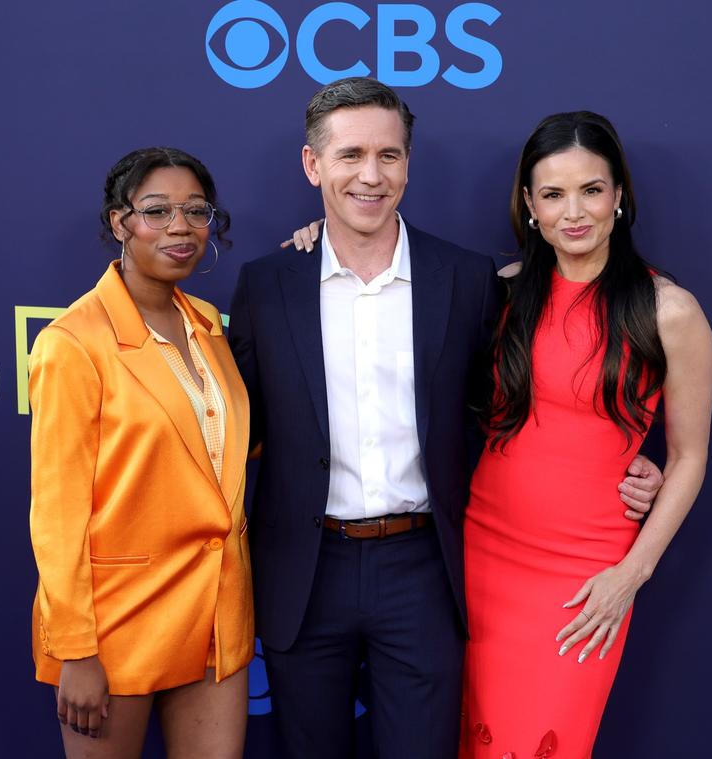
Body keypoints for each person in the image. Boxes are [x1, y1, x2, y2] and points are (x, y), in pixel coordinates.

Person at [229, 77, 662, 759]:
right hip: (305, 573)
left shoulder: (468, 279)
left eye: (389, 155)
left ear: (408, 162)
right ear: (314, 165)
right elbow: (232, 428)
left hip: (427, 569)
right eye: (349, 156)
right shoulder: (268, 283)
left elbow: (533, 393)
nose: (371, 175)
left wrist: (632, 459)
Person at [459, 112, 712, 759]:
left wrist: (631, 573)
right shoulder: (495, 295)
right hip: (482, 557)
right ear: (529, 205)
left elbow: (688, 457)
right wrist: (320, 238)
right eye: (552, 193)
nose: (574, 211)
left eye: (591, 189)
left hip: (587, 576)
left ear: (619, 196)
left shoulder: (670, 311)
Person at [28, 147, 253, 757]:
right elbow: (57, 513)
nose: (181, 227)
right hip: (117, 624)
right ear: (118, 223)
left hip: (215, 612)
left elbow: (217, 453)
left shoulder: (206, 322)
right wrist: (75, 648)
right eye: (157, 211)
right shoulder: (73, 343)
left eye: (196, 210)